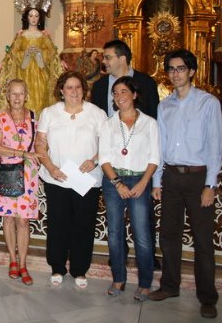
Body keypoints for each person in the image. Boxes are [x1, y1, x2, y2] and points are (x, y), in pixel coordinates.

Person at [149, 49, 222, 320]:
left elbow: (215, 146)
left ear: (191, 71)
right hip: (171, 176)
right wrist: (157, 181)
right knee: (169, 235)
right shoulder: (164, 105)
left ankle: (207, 296)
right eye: (171, 69)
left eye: (180, 68)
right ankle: (170, 286)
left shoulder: (208, 103)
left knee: (203, 240)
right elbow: (161, 146)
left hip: (197, 177)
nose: (175, 73)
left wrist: (210, 185)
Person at [91, 39, 161, 270]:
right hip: (112, 162)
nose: (104, 61)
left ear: (122, 58)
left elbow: (153, 122)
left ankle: (148, 258)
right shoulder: (101, 86)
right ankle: (118, 256)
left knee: (144, 217)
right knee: (115, 219)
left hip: (140, 163)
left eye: (108, 56)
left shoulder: (146, 83)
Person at [35, 71, 106, 288]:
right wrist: (51, 167)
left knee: (83, 225)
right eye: (69, 87)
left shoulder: (97, 113)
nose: (74, 91)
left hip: (87, 179)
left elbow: (107, 144)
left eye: (78, 87)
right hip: (57, 178)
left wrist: (94, 160)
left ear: (84, 89)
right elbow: (40, 144)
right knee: (58, 224)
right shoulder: (50, 112)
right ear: (61, 91)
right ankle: (57, 267)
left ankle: (79, 269)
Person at [99, 76, 160, 301]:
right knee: (115, 233)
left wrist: (144, 182)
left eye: (124, 92)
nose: (119, 97)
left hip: (140, 180)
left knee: (142, 234)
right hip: (114, 181)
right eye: (115, 93)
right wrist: (117, 183)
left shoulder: (149, 123)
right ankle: (118, 278)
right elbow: (104, 158)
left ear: (134, 95)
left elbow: (155, 157)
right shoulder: (108, 124)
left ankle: (145, 283)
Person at [0, 79, 42, 285]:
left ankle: (23, 263)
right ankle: (12, 259)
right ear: (7, 95)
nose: (17, 97)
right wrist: (22, 153)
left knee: (24, 220)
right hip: (5, 172)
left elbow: (40, 145)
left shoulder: (35, 118)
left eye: (21, 93)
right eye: (13, 93)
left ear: (26, 95)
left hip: (28, 175)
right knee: (9, 218)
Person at [0, 7, 61, 116]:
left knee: (41, 100)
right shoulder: (21, 36)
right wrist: (26, 53)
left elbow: (50, 56)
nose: (33, 19)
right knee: (22, 97)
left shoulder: (44, 36)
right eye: (31, 15)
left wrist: (39, 53)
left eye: (36, 16)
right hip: (23, 75)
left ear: (40, 18)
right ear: (26, 18)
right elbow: (14, 55)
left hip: (41, 77)